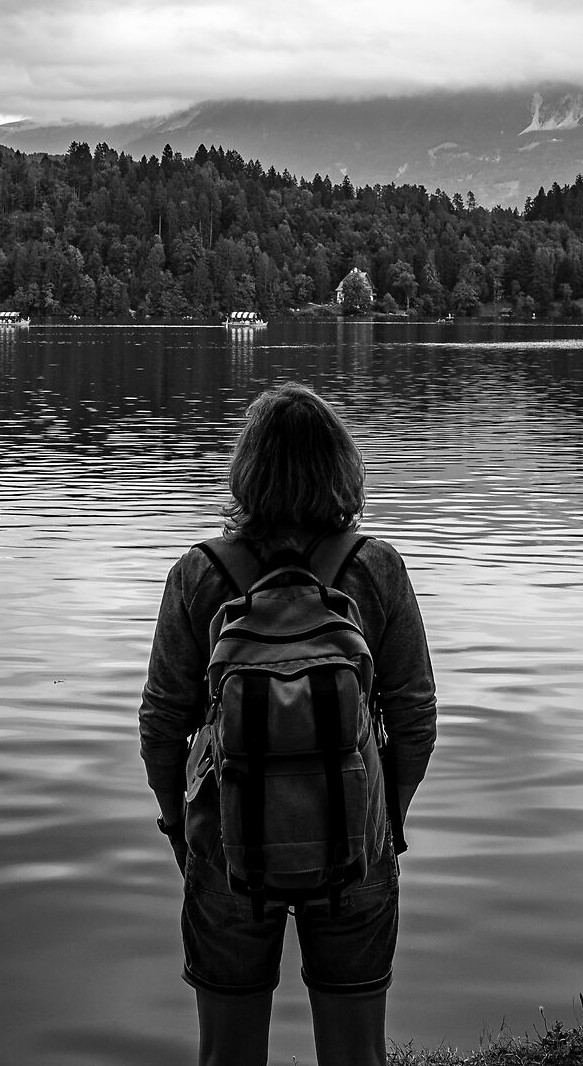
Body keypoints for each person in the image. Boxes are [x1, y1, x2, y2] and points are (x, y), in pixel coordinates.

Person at [140, 381, 436, 1066]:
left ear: (246, 472)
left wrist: (181, 830)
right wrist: (384, 820)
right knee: (356, 1056)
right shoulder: (376, 567)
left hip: (227, 849)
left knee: (228, 1057)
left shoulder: (199, 573)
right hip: (354, 846)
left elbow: (162, 726)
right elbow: (415, 718)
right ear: (343, 469)